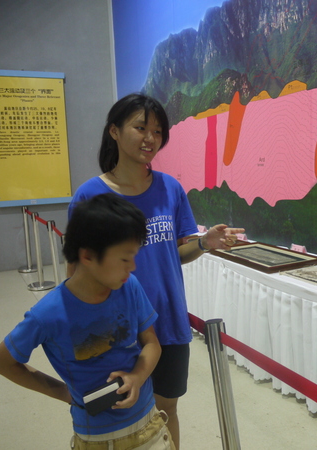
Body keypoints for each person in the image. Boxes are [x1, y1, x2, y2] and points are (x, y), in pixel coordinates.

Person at [68, 93, 244, 449]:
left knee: (165, 411)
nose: (151, 138)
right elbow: (74, 274)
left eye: (158, 131)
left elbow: (176, 252)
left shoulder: (170, 189)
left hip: (168, 324)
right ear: (114, 131)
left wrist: (205, 242)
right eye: (140, 127)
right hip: (114, 330)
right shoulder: (90, 196)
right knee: (116, 417)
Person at [0, 193, 175, 450]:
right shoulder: (48, 314)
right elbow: (1, 362)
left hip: (149, 423)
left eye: (133, 256)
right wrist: (62, 392)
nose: (132, 267)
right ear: (87, 255)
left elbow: (152, 343)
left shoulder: (128, 287)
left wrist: (137, 377)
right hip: (98, 438)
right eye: (124, 258)